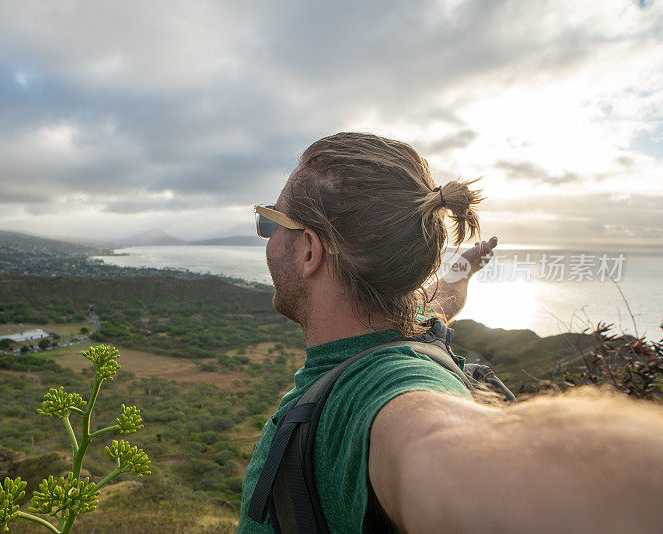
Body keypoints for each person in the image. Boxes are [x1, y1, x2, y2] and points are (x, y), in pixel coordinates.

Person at [237, 132, 663, 533]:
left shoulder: (379, 392)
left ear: (309, 250)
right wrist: (463, 270)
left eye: (270, 223)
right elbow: (445, 299)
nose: (268, 242)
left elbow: (450, 447)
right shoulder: (416, 328)